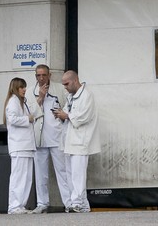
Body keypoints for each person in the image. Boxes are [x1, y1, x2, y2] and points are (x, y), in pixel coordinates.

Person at [52, 69, 101, 213]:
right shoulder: (70, 96)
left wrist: (66, 115)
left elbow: (84, 117)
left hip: (81, 141)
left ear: (75, 80)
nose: (65, 87)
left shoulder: (87, 95)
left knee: (78, 174)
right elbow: (69, 115)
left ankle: (77, 203)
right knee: (71, 174)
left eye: (67, 84)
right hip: (69, 140)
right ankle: (83, 205)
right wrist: (61, 115)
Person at [25, 64, 71, 214]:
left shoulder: (59, 89)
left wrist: (63, 115)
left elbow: (68, 107)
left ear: (49, 75)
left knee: (63, 171)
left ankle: (69, 202)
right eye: (38, 75)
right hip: (39, 138)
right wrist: (41, 97)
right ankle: (42, 203)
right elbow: (29, 113)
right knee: (40, 173)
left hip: (57, 137)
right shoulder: (30, 92)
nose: (41, 78)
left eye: (44, 75)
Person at [3, 77, 36, 214]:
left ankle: (20, 204)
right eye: (22, 87)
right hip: (19, 145)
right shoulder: (13, 102)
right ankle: (14, 205)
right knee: (19, 176)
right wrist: (27, 119)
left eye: (25, 87)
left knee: (26, 177)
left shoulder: (22, 102)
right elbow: (12, 119)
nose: (24, 89)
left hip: (26, 145)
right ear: (15, 88)